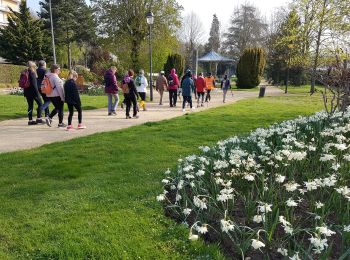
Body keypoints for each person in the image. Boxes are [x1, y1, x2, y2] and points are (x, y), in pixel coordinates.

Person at [24, 61, 43, 125]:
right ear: (33, 66)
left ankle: (30, 120)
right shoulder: (32, 73)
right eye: (35, 66)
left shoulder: (25, 72)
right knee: (40, 104)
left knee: (30, 106)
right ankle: (39, 119)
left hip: (27, 91)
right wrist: (38, 93)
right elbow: (34, 85)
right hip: (33, 92)